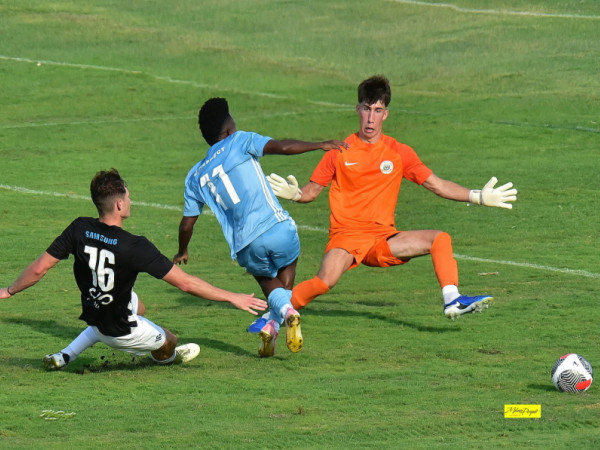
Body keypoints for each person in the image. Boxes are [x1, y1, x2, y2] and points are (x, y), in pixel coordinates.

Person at [267, 75, 518, 319]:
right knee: (324, 282)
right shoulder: (338, 152)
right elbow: (311, 192)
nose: (371, 118)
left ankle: (452, 299)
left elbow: (436, 184)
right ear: (358, 110)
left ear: (385, 114)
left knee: (440, 239)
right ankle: (273, 314)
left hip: (382, 240)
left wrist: (478, 197)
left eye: (377, 110)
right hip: (348, 236)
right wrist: (296, 194)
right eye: (366, 109)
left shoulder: (398, 152)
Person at [0, 169, 266, 370]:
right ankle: (168, 358)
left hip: (94, 308)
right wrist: (232, 296)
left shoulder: (79, 227)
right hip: (118, 330)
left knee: (139, 307)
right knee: (169, 339)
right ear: (118, 204)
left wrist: (9, 291)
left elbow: (38, 269)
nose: (130, 199)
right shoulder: (135, 246)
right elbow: (185, 283)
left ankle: (66, 354)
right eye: (128, 195)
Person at [173, 97, 347, 357]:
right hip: (278, 228)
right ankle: (284, 314)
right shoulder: (241, 140)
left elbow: (187, 223)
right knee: (288, 266)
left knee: (268, 282)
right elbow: (282, 147)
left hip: (246, 245)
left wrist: (182, 251)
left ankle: (274, 323)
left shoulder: (195, 176)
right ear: (229, 128)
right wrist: (319, 144)